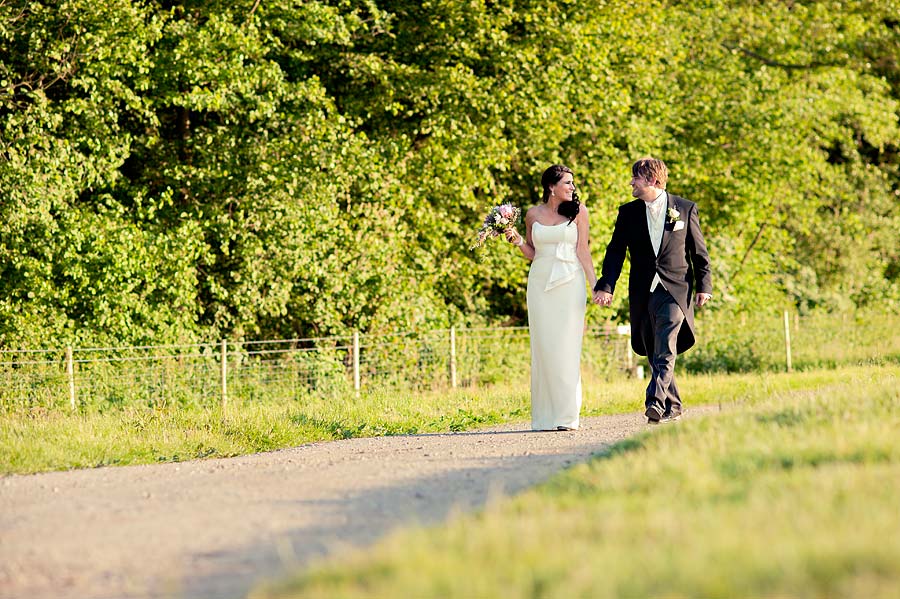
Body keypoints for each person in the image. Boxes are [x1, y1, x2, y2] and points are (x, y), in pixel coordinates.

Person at [594, 157, 712, 424]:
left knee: (666, 345)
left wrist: (704, 286)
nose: (631, 183)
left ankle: (655, 402)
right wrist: (606, 285)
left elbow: (699, 253)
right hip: (643, 290)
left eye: (635, 178)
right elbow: (615, 253)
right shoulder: (628, 212)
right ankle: (674, 404)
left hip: (675, 290)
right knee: (652, 347)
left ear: (651, 180)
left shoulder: (684, 208)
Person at [504, 164, 602, 431]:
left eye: (572, 183)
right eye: (567, 183)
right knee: (544, 349)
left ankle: (568, 417)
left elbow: (583, 250)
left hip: (570, 282)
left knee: (568, 348)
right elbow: (533, 252)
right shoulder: (533, 214)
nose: (572, 187)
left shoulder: (580, 211)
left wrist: (596, 285)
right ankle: (545, 417)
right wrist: (515, 241)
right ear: (551, 187)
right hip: (539, 284)